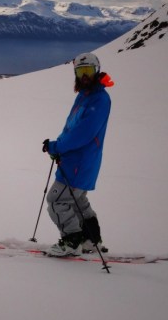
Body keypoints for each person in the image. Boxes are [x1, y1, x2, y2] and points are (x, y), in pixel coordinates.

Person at [42, 52, 114, 257]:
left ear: (97, 71)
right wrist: (58, 146)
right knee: (77, 201)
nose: (84, 76)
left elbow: (82, 134)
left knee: (57, 201)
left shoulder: (99, 99)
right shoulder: (85, 95)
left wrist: (57, 147)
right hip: (79, 160)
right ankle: (91, 241)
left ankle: (72, 240)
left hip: (79, 161)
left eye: (88, 71)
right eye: (80, 71)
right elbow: (72, 129)